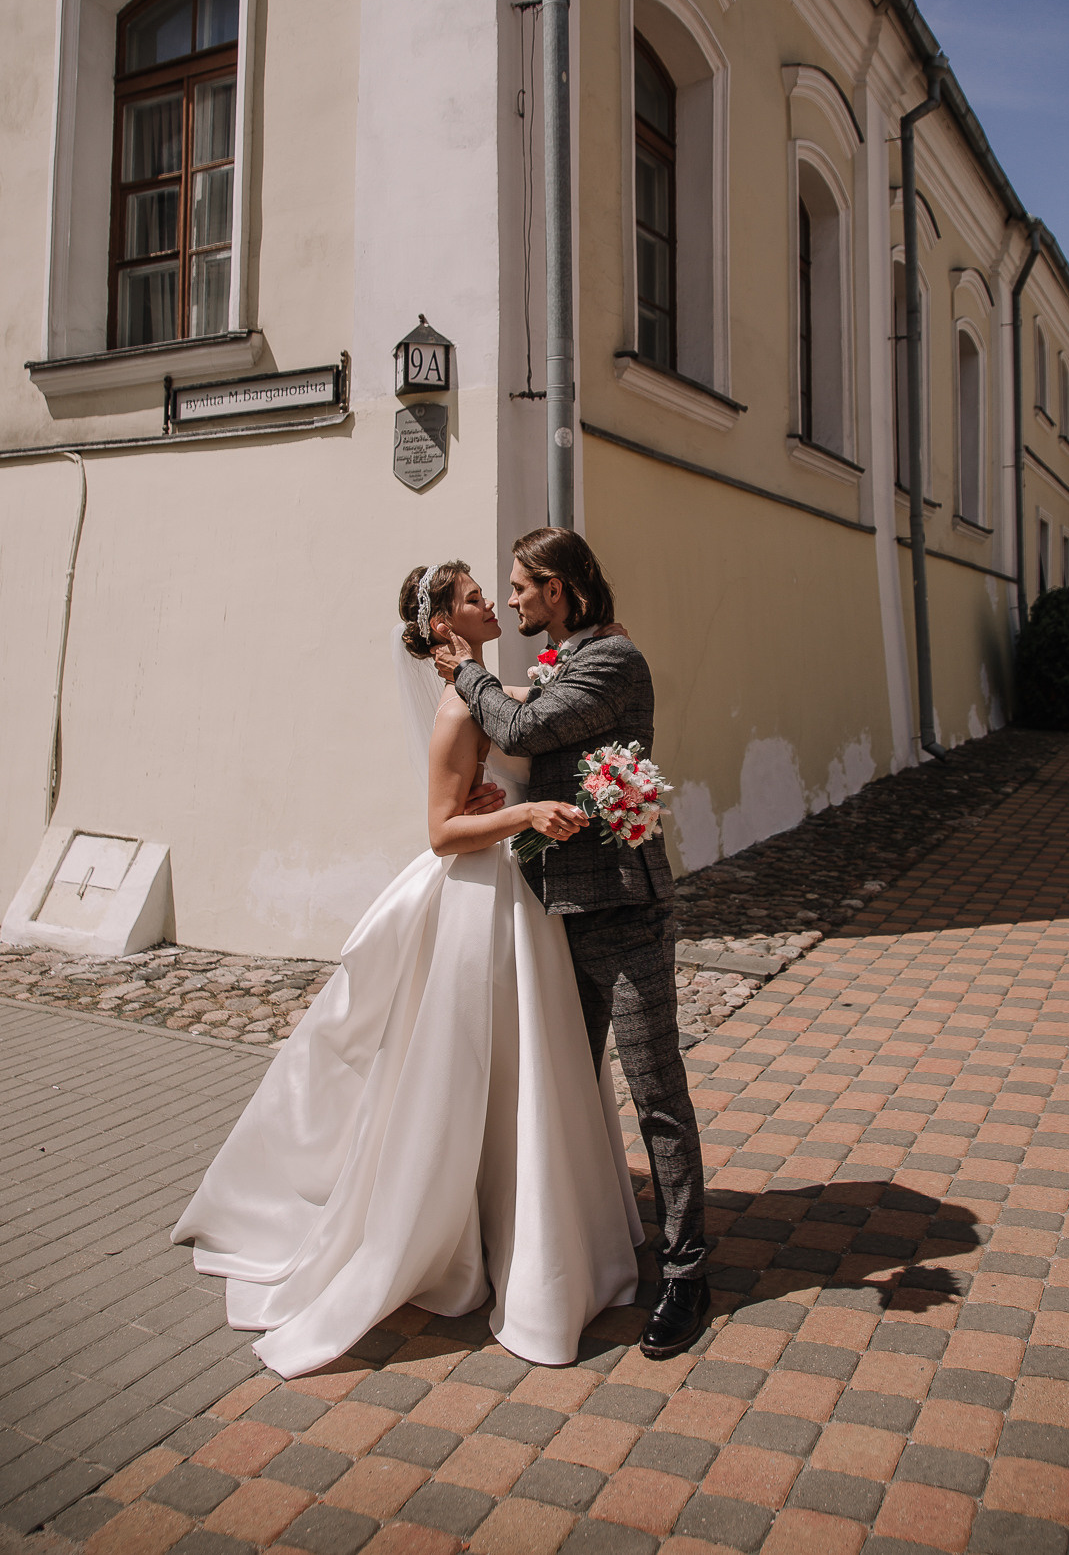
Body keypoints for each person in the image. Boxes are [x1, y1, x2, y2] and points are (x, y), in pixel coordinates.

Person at [171, 561, 641, 1378]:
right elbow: (438, 832)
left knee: (526, 1073)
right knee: (472, 1077)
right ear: (442, 629)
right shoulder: (463, 703)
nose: (490, 601)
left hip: (518, 898)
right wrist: (525, 812)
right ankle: (471, 1238)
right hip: (478, 905)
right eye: (470, 598)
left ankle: (526, 1225)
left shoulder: (499, 689)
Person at [434, 527, 709, 1358]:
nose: (511, 600)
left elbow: (522, 733)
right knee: (565, 1094)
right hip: (556, 910)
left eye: (520, 587)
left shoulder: (610, 662)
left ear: (558, 589)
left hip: (623, 910)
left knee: (655, 1092)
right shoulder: (563, 661)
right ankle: (573, 1247)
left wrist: (465, 674)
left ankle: (688, 1273)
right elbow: (525, 738)